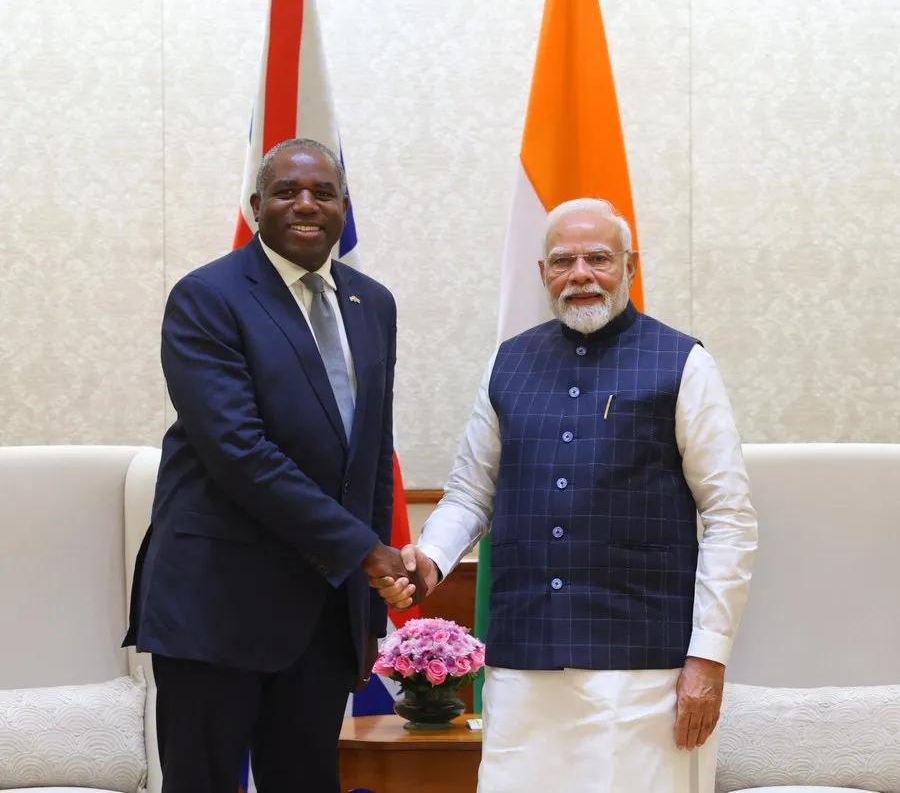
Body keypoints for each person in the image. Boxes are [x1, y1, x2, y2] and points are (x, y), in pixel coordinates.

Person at [374, 198, 758, 792]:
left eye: (598, 258)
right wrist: (430, 559)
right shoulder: (509, 362)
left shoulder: (683, 362)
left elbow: (729, 516)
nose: (580, 274)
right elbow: (471, 493)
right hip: (524, 663)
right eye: (563, 261)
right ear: (543, 273)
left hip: (643, 669)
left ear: (630, 266)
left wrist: (708, 658)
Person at [124, 138, 414, 793]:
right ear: (257, 206)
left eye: (323, 193)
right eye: (287, 191)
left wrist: (366, 616)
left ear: (344, 207)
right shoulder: (207, 297)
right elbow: (239, 451)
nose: (306, 204)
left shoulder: (373, 304)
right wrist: (364, 551)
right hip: (216, 605)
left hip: (321, 615)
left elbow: (371, 454)